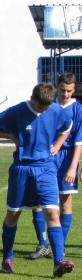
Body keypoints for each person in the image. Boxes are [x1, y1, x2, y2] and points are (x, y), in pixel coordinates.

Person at [0, 82, 75, 277]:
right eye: (41, 108)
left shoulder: (55, 109)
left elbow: (68, 126)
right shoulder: (16, 111)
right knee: (13, 215)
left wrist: (57, 145)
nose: (44, 111)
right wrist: (12, 138)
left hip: (47, 168)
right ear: (32, 99)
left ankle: (58, 261)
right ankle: (7, 259)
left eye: (47, 108)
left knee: (52, 213)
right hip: (22, 169)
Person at [29, 73, 81, 260]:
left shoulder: (78, 110)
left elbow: (79, 142)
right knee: (38, 202)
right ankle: (42, 244)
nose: (65, 94)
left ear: (74, 90)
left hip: (66, 158)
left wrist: (73, 167)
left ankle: (60, 247)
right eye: (62, 90)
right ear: (57, 88)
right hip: (45, 157)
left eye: (69, 91)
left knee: (65, 203)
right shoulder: (49, 105)